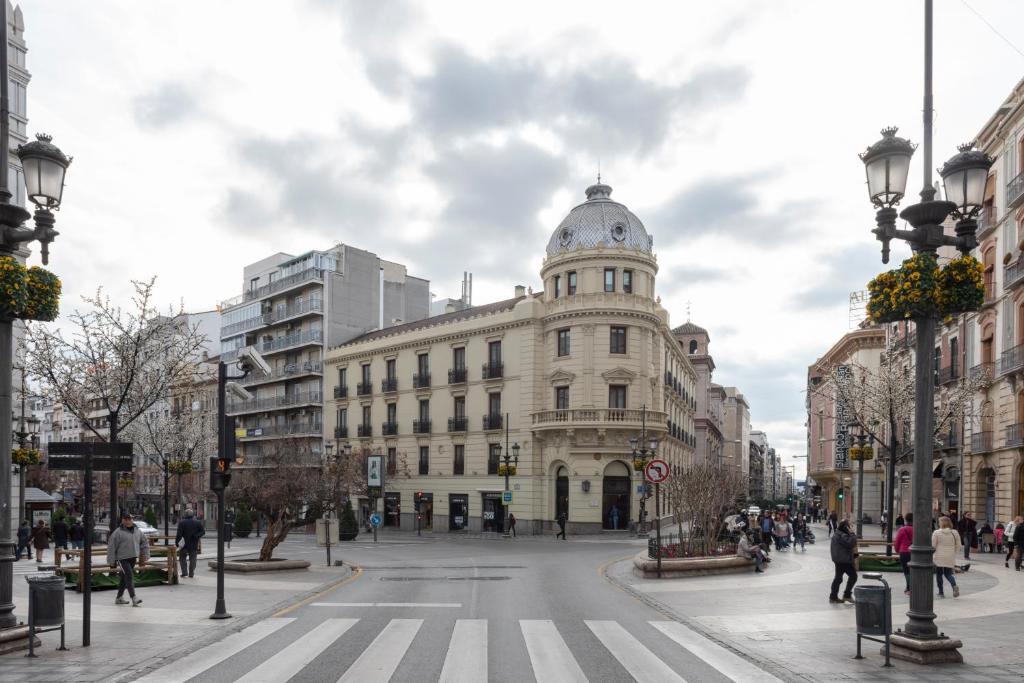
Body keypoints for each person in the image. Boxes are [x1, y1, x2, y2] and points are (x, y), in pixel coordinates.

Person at [107, 512, 149, 606]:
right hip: (122, 558)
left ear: (132, 520)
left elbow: (144, 542)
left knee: (124, 578)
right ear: (122, 520)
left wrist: (146, 554)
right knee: (129, 575)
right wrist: (111, 560)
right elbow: (111, 546)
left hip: (133, 558)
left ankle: (119, 598)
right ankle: (134, 597)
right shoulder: (117, 532)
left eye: (130, 519)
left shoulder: (137, 531)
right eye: (126, 519)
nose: (128, 521)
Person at [829, 520, 858, 604]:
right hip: (844, 560)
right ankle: (847, 595)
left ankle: (833, 596)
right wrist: (852, 533)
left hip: (839, 559)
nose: (852, 527)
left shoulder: (838, 533)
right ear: (846, 527)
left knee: (838, 578)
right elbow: (851, 543)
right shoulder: (842, 535)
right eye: (850, 526)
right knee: (853, 576)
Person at [932, 516, 962, 597]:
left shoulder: (936, 532)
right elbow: (959, 545)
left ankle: (941, 592)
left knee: (939, 574)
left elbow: (933, 545)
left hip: (939, 556)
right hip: (950, 555)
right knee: (948, 574)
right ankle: (954, 586)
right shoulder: (955, 532)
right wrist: (954, 553)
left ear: (941, 523)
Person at [175, 508, 205, 578]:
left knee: (182, 558)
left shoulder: (182, 523)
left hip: (184, 544)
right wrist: (196, 536)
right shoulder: (197, 522)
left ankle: (184, 572)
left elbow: (179, 534)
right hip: (193, 543)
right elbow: (203, 532)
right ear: (193, 515)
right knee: (193, 559)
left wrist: (177, 543)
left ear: (185, 515)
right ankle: (191, 573)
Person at [893, 513, 914, 595]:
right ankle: (914, 586)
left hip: (904, 552)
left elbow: (897, 541)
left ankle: (909, 588)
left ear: (905, 519)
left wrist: (897, 550)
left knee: (906, 571)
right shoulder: (917, 529)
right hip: (915, 552)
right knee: (914, 570)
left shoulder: (902, 529)